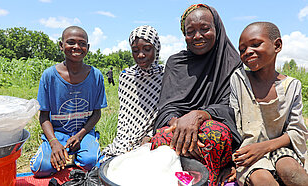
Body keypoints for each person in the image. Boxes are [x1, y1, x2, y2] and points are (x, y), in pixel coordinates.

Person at [150, 4, 242, 186]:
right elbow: (166, 107)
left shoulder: (232, 62)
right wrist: (179, 126)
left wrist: (198, 116)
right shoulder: (176, 63)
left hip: (215, 127)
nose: (197, 36)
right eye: (190, 31)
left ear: (217, 28)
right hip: (178, 129)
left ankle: (209, 182)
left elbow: (231, 108)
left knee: (212, 135)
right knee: (162, 138)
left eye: (205, 29)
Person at [230, 22, 308, 186]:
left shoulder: (292, 86)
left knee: (291, 171)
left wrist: (265, 147)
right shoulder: (239, 80)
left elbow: (297, 131)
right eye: (242, 49)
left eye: (256, 44)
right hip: (248, 151)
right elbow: (233, 124)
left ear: (277, 45)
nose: (247, 52)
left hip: (280, 147)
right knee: (262, 180)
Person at [30, 26, 107, 178]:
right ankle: (59, 153)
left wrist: (79, 136)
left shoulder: (96, 76)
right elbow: (44, 117)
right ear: (61, 45)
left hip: (84, 133)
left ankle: (71, 157)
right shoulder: (49, 76)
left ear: (88, 47)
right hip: (57, 134)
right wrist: (53, 142)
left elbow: (97, 114)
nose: (76, 47)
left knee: (90, 163)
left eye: (82, 43)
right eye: (71, 42)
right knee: (41, 168)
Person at [100, 25, 164, 162]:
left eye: (147, 49)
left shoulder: (166, 76)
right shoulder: (126, 77)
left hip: (156, 135)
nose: (141, 55)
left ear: (156, 48)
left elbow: (165, 113)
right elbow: (124, 115)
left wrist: (150, 136)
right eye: (135, 50)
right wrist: (125, 141)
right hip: (126, 136)